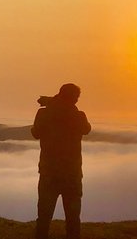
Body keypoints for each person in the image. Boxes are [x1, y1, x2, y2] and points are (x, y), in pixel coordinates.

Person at [31, 83, 91, 239]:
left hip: (48, 171)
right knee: (73, 217)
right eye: (76, 98)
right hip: (72, 173)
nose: (77, 101)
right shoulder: (78, 115)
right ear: (74, 98)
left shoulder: (44, 114)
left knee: (44, 215)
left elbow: (35, 133)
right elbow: (86, 129)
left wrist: (52, 103)